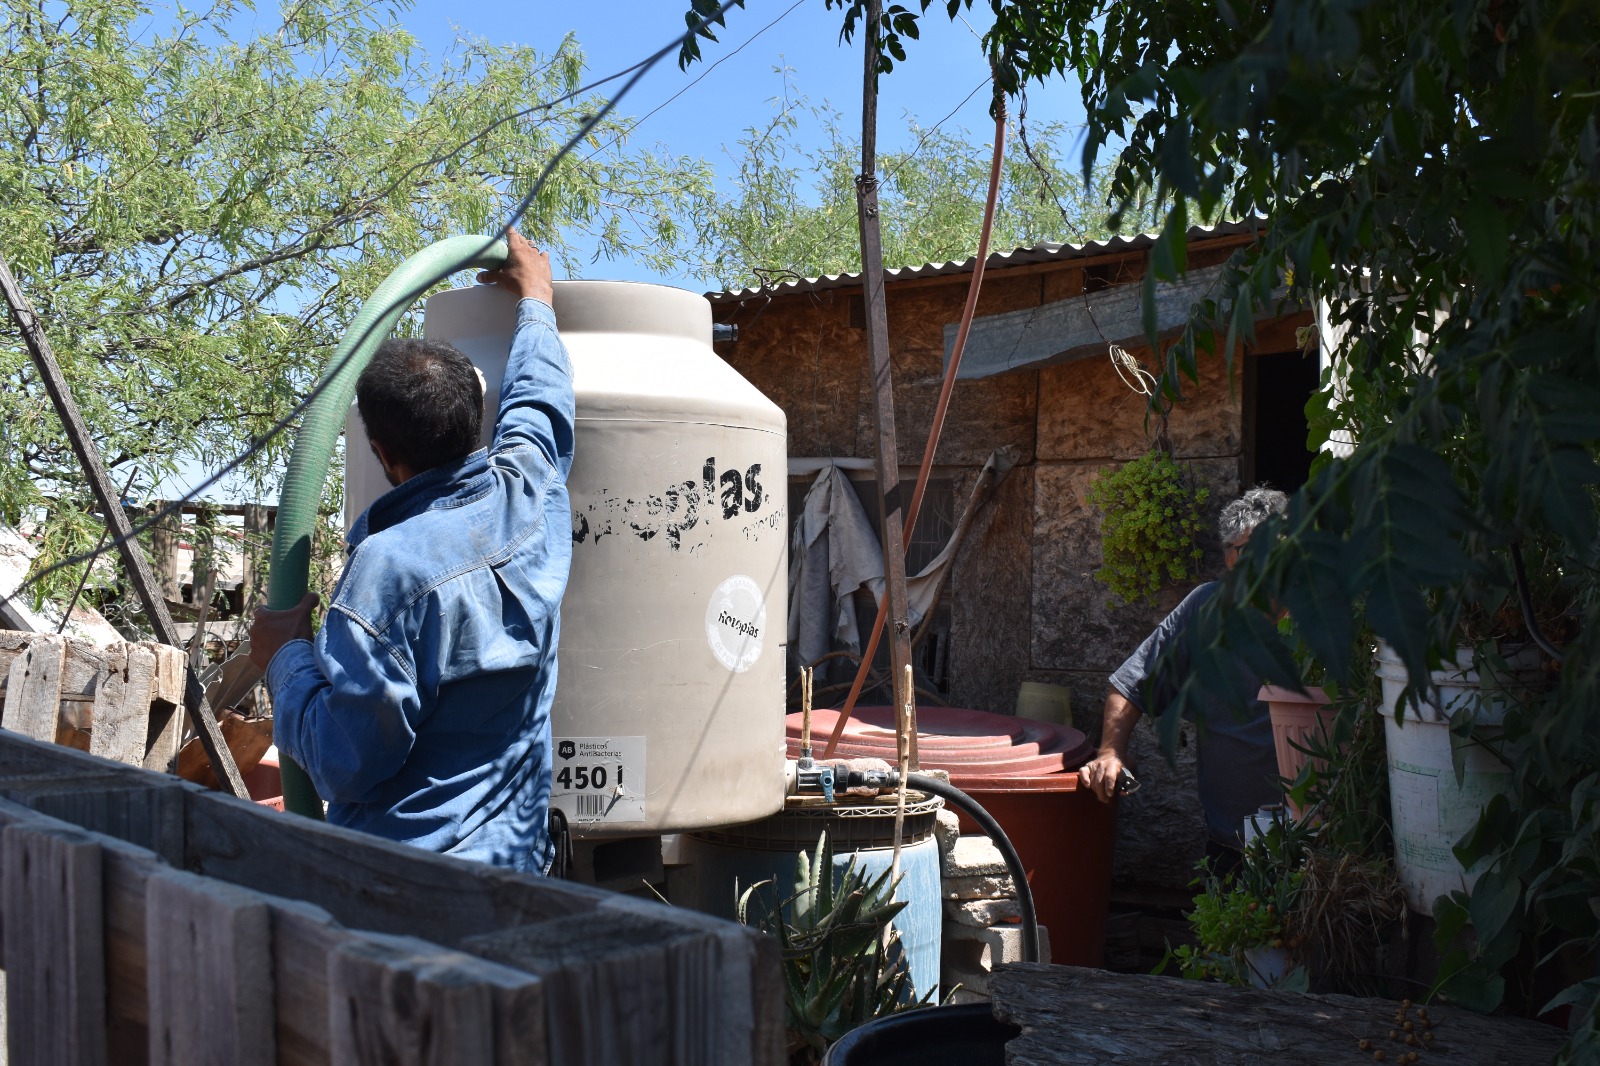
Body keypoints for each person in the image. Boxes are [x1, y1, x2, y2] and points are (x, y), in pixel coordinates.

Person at [249, 229, 573, 874]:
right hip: (520, 868)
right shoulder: (529, 494)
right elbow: (540, 402)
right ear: (476, 417)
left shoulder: (388, 570)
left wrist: (282, 660)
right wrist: (537, 296)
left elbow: (348, 760)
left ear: (381, 454)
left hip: (410, 886)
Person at [1080, 486, 1289, 871]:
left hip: (1321, 842)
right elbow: (1132, 683)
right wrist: (1110, 752)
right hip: (1235, 844)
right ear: (1231, 558)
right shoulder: (1206, 609)